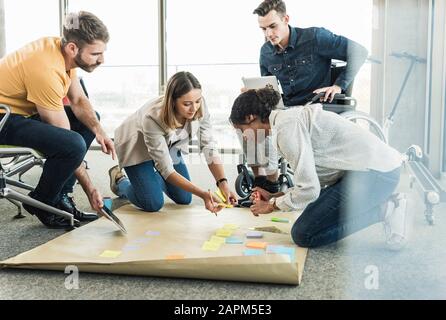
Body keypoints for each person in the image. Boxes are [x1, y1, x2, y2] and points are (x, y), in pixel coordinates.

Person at [229, 88, 409, 250]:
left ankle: (387, 208)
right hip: (364, 172)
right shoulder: (284, 122)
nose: (244, 138)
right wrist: (275, 196)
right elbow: (308, 182)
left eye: (241, 130)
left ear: (250, 118)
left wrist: (271, 205)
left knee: (303, 234)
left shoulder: (286, 128)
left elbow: (310, 189)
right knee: (308, 214)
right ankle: (381, 203)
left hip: (378, 174)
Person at [0, 12, 116, 229]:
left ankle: (60, 196)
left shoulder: (62, 54)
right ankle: (44, 202)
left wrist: (99, 130)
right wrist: (90, 188)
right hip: (2, 118)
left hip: (18, 112)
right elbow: (67, 139)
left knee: (89, 121)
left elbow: (79, 100)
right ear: (73, 48)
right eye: (96, 54)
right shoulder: (45, 69)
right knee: (72, 144)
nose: (102, 60)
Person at [245, 0, 369, 192]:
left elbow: (359, 52)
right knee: (248, 117)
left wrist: (338, 86)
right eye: (263, 29)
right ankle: (265, 179)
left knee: (277, 122)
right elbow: (268, 89)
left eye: (272, 26)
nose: (268, 34)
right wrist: (253, 95)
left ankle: (272, 182)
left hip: (315, 107)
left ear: (286, 19)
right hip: (287, 108)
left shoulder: (314, 37)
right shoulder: (266, 52)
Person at [109, 71, 237, 214]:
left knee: (184, 198)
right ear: (173, 101)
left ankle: (150, 178)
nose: (194, 108)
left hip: (168, 146)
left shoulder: (199, 104)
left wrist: (222, 183)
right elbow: (167, 170)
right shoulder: (152, 118)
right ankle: (120, 181)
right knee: (153, 203)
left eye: (197, 101)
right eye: (187, 104)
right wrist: (203, 194)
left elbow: (209, 146)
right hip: (136, 149)